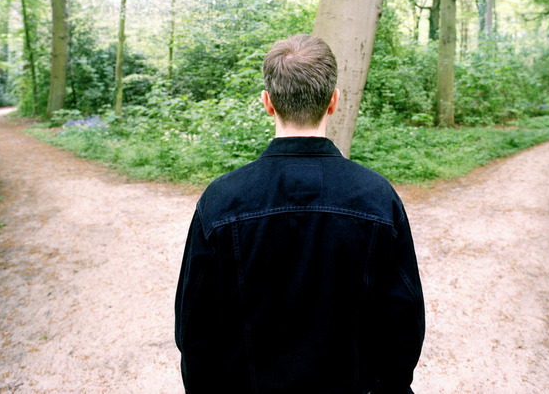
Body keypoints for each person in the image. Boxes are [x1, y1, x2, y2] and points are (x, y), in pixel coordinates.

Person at [175, 34, 425, 394]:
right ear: (334, 101)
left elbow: (194, 331)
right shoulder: (378, 199)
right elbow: (404, 325)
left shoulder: (221, 202)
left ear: (268, 103)